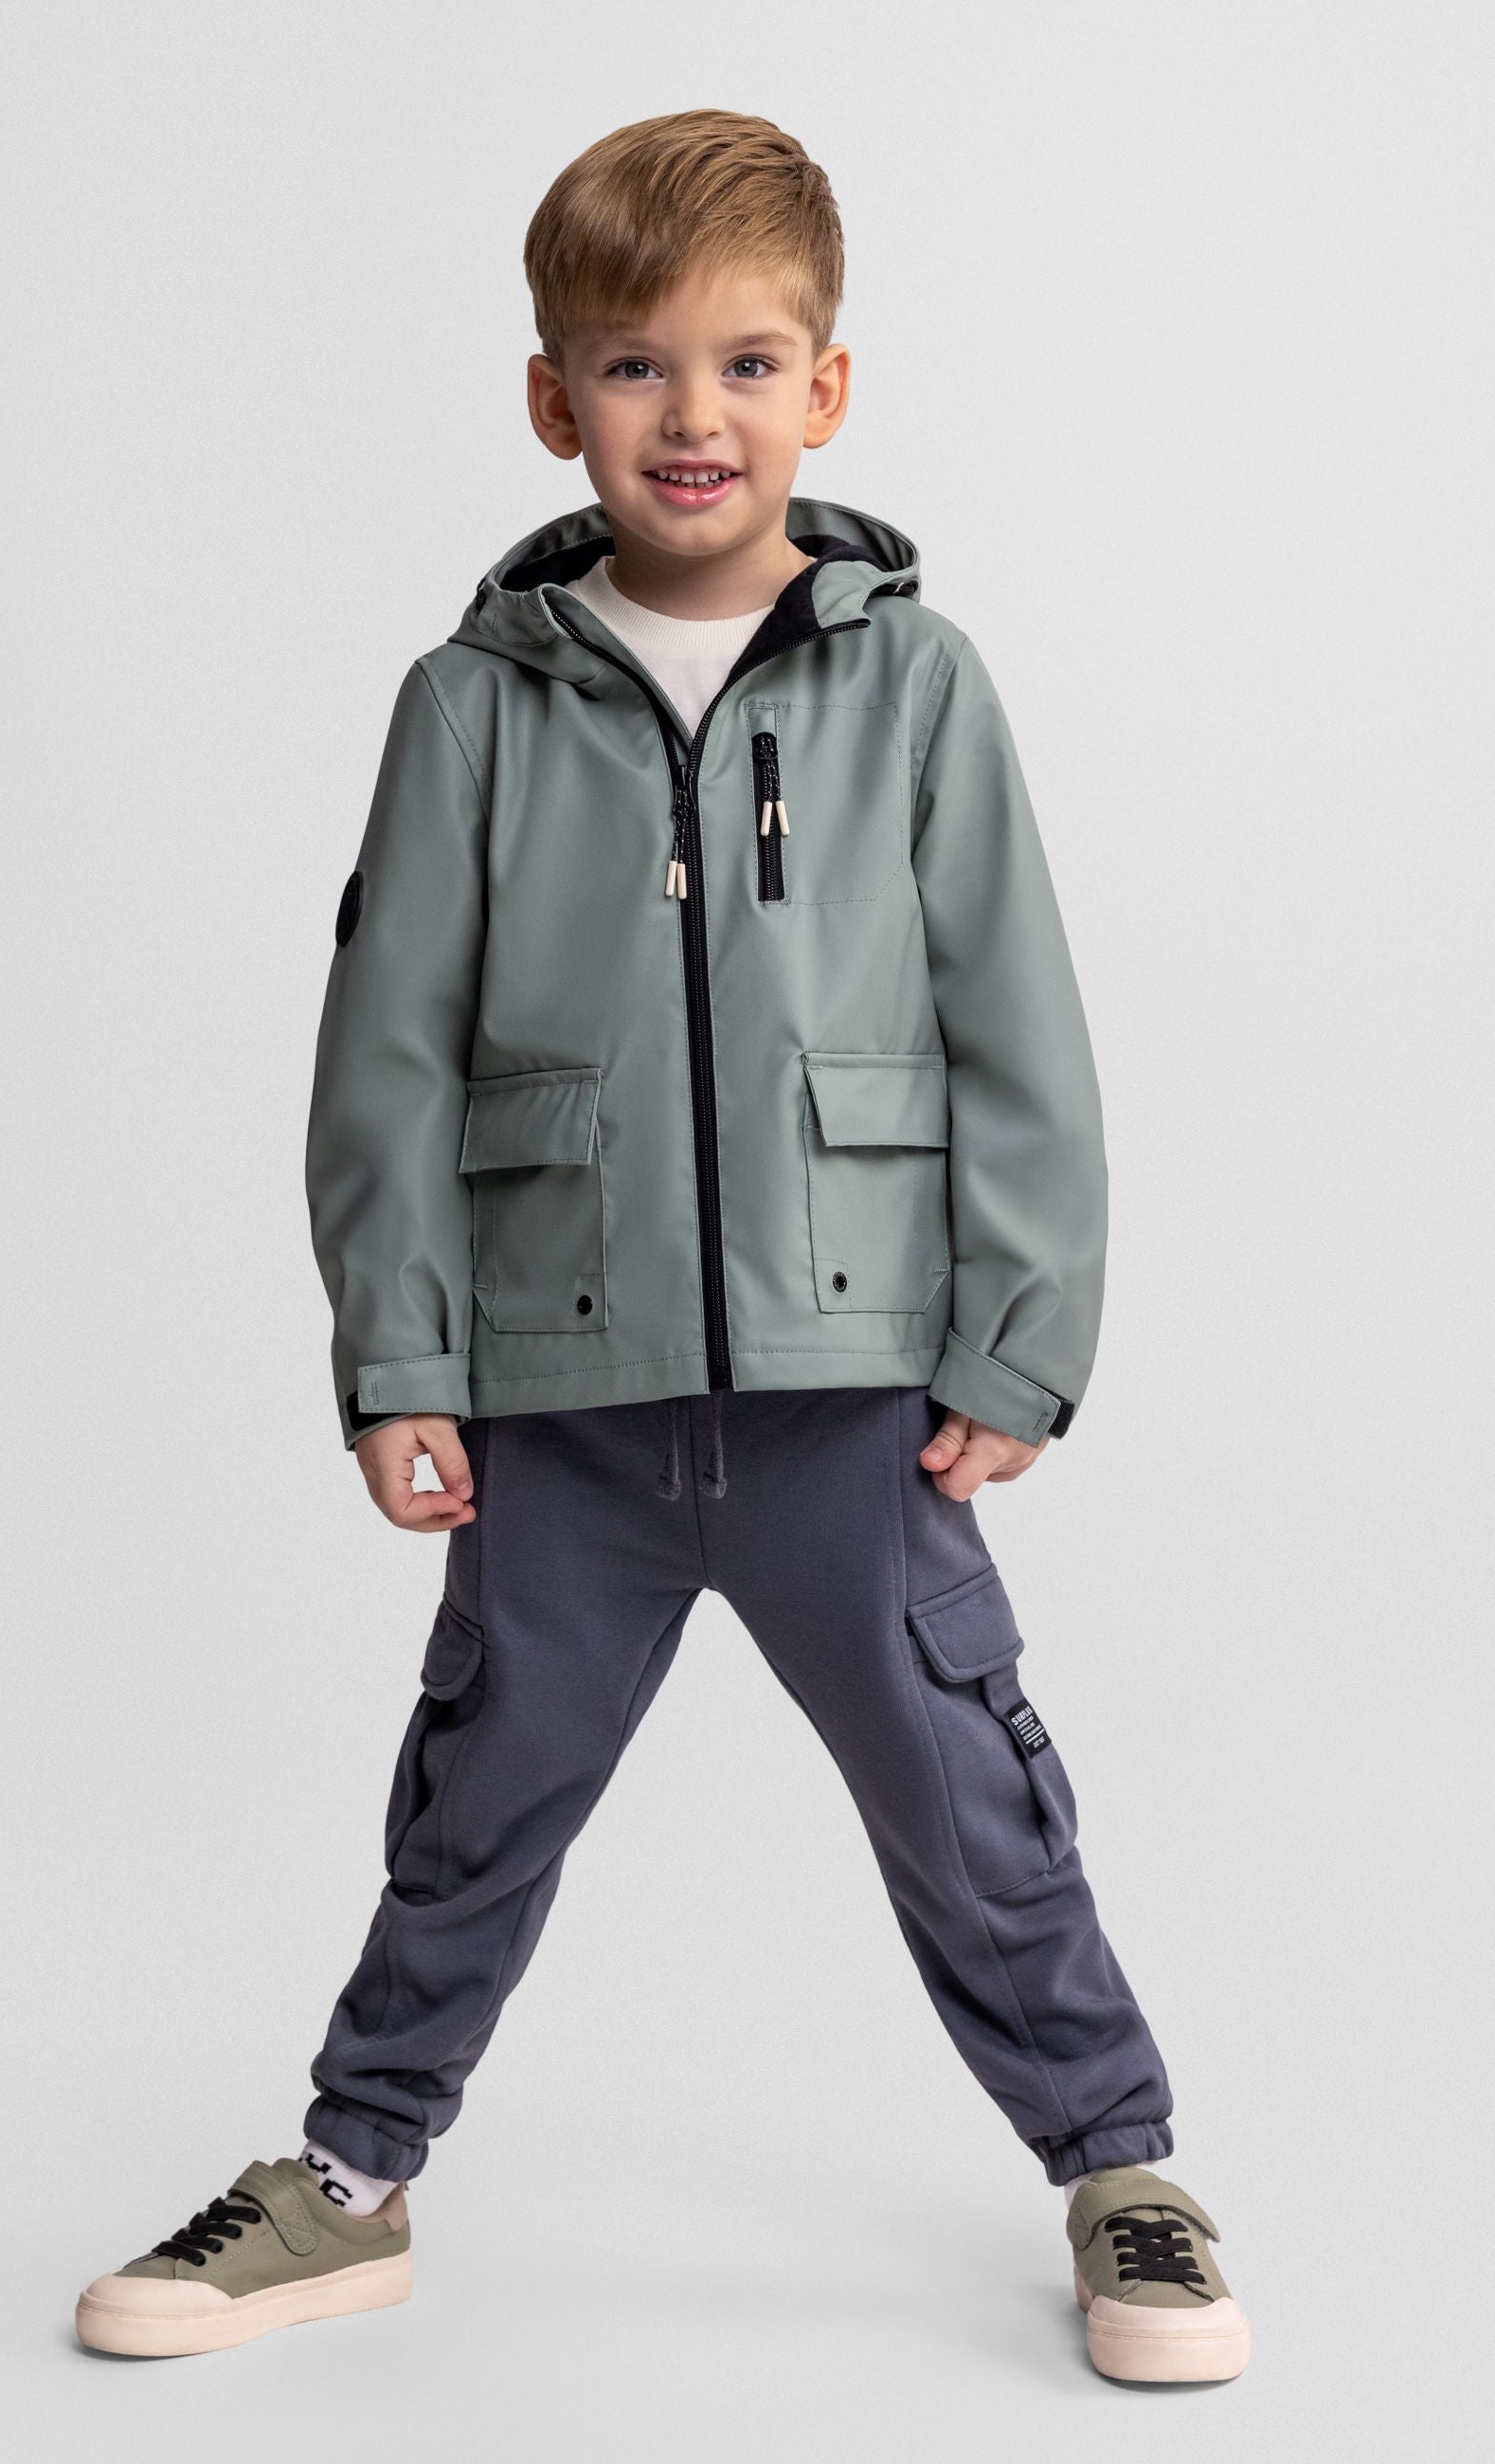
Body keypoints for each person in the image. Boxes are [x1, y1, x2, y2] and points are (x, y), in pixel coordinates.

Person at [75, 107, 1249, 2384]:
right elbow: (389, 1060)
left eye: (744, 363)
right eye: (633, 365)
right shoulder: (472, 705)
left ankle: (1122, 2166)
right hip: (562, 1399)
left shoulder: (916, 687)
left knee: (967, 1799)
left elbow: (1021, 1028)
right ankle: (352, 2178)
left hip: (854, 1397)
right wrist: (402, 1358)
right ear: (553, 398)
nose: (690, 413)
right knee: (478, 1802)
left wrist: (1017, 1338)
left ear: (827, 387)